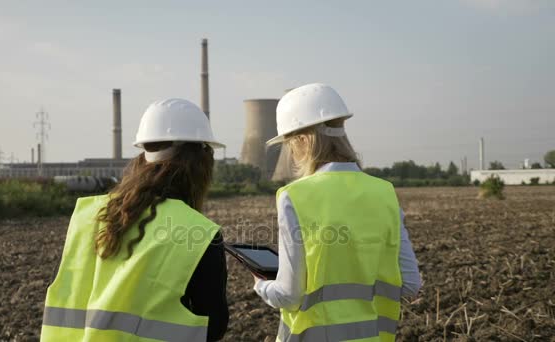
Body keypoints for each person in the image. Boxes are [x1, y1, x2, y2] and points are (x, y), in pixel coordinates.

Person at [41, 99, 229, 342]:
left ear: (143, 154)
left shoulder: (87, 216)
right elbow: (213, 325)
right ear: (201, 162)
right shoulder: (199, 233)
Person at [253, 83, 422, 342]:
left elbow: (289, 295)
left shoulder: (295, 197)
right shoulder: (384, 193)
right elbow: (410, 284)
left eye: (288, 144)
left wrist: (261, 284)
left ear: (301, 140)